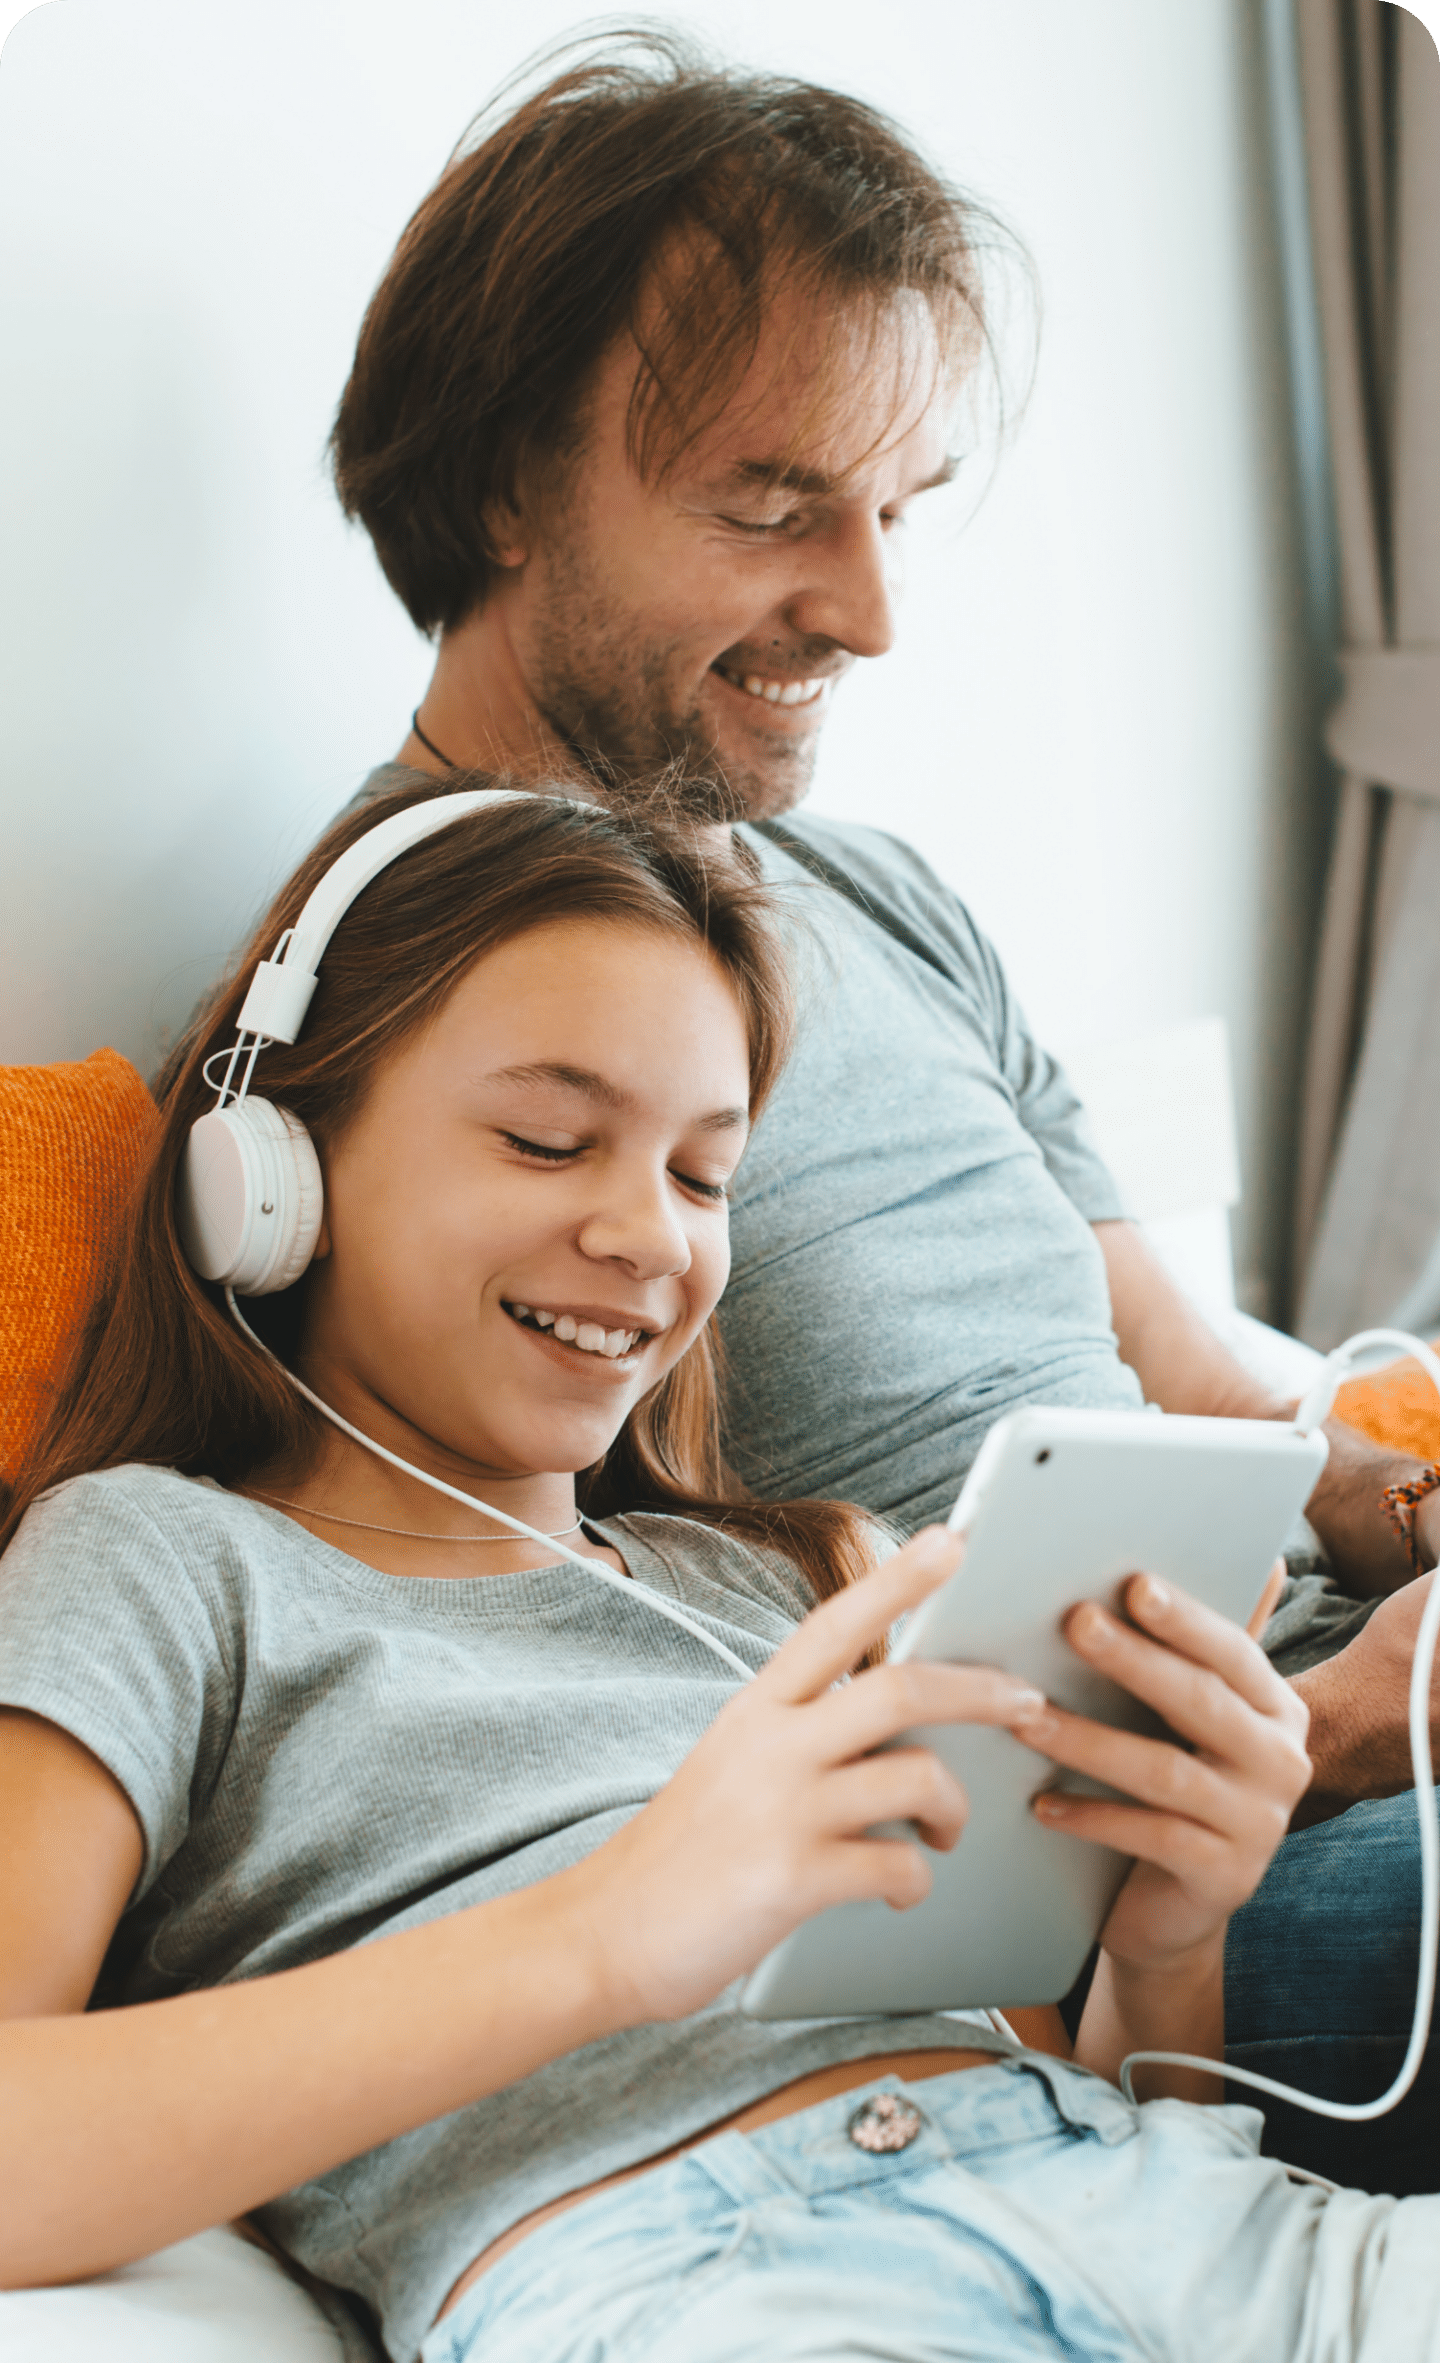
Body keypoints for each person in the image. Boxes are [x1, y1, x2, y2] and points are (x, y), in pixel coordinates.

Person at [322, 32, 1440, 2188]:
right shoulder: (405, 1052)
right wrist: (1319, 1739)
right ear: (496, 489)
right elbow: (597, 1744)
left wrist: (1400, 1515)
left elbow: (1190, 1386)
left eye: (892, 508)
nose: (869, 609)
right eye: (769, 508)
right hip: (1169, 1872)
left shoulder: (864, 885)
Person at [3, 778, 1432, 2363]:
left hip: (1191, 2226)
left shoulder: (794, 1580)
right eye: (551, 1140)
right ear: (277, 1164)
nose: (649, 1235)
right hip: (716, 2284)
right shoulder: (162, 1562)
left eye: (704, 1175)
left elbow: (1064, 2087)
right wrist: (611, 1929)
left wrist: (1169, 1945)